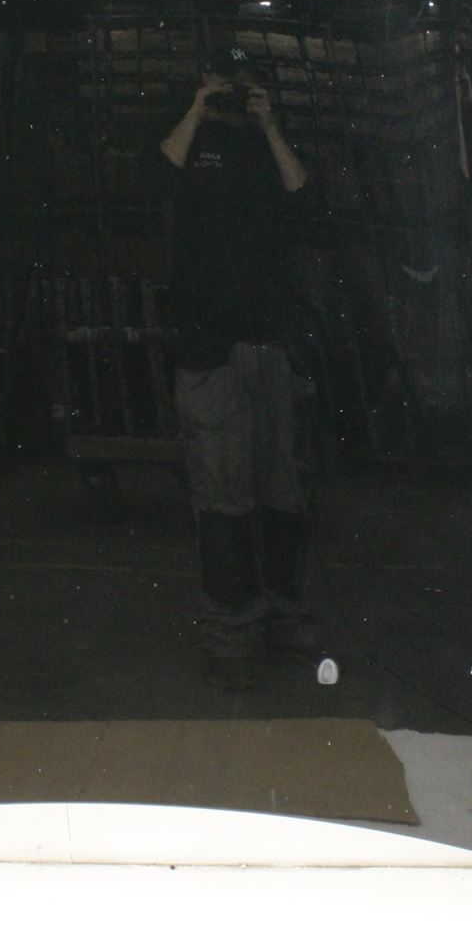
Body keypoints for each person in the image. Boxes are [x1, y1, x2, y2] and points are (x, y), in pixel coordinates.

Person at [156, 48, 321, 690]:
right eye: (222, 84)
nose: (232, 94)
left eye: (241, 85)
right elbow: (156, 178)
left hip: (270, 348)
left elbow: (305, 201)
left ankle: (284, 612)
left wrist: (270, 127)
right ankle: (230, 630)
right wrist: (197, 111)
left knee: (282, 491)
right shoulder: (189, 145)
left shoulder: (265, 145)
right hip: (211, 351)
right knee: (222, 497)